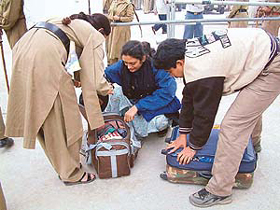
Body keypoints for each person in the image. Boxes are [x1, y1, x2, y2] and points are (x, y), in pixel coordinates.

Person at [153, 28, 280, 207]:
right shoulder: (190, 52)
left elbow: (205, 114)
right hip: (260, 54)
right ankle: (253, 143)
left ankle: (220, 191)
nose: (170, 76)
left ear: (179, 63)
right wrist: (183, 134)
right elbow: (189, 95)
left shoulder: (204, 71)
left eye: (169, 71)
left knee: (232, 125)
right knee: (246, 110)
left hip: (271, 67)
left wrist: (194, 146)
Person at [5, 12, 113, 185]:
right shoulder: (94, 34)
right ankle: (71, 173)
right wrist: (108, 88)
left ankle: (63, 166)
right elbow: (95, 76)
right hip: (44, 57)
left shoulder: (71, 22)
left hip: (24, 48)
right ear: (101, 30)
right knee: (63, 118)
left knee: (41, 113)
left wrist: (75, 77)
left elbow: (76, 56)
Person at [104, 40, 181, 141]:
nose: (129, 67)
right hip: (134, 101)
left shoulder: (157, 67)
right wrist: (105, 84)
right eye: (125, 63)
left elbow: (167, 93)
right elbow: (106, 74)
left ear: (143, 58)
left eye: (132, 63)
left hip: (156, 105)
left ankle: (156, 127)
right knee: (116, 92)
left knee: (160, 123)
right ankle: (112, 123)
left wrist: (138, 107)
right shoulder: (123, 66)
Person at [106, 0, 134, 65]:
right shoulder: (114, 2)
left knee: (120, 49)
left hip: (122, 31)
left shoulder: (128, 4)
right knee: (111, 48)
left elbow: (130, 18)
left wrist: (119, 18)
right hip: (113, 29)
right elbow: (110, 12)